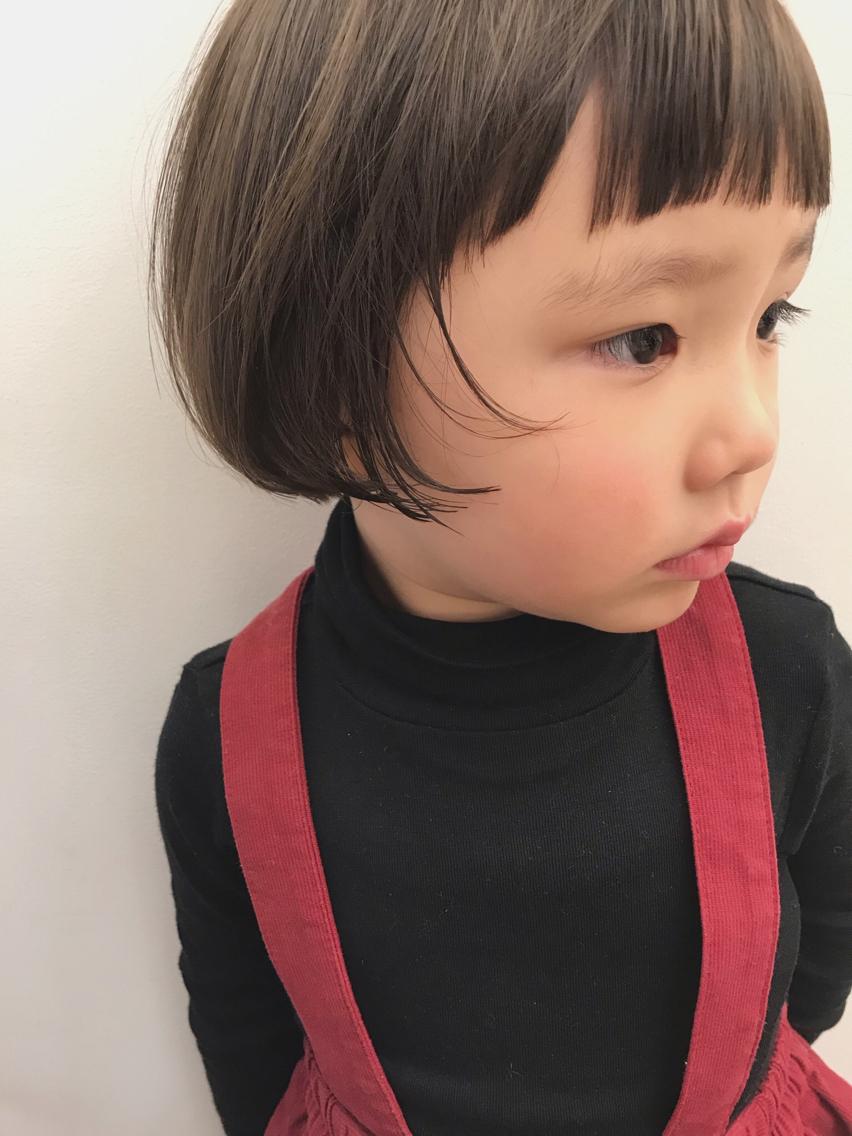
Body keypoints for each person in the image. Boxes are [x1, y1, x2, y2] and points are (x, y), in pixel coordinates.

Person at [150, 2, 852, 1134]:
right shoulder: (229, 731)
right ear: (335, 377)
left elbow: (813, 964)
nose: (751, 434)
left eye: (772, 314)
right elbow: (249, 1035)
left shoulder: (791, 668)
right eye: (644, 338)